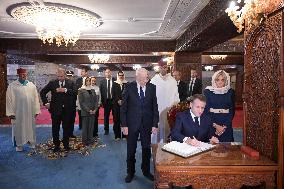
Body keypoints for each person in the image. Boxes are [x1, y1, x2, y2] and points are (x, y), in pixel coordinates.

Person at [121, 68, 159, 183]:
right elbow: (123, 108)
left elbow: (155, 107)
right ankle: (130, 172)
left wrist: (154, 124)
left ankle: (146, 171)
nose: (145, 80)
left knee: (146, 149)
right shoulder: (128, 87)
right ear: (136, 77)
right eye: (143, 78)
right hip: (132, 124)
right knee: (131, 150)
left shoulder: (152, 87)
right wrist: (124, 125)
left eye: (147, 77)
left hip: (147, 124)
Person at [40, 68, 76, 152]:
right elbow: (42, 92)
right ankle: (56, 145)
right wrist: (46, 103)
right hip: (55, 110)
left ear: (65, 75)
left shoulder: (70, 83)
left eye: (62, 76)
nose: (60, 78)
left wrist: (65, 90)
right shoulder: (53, 83)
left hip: (67, 110)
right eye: (58, 76)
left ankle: (66, 145)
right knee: (55, 128)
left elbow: (75, 93)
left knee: (66, 128)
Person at [6, 68, 41, 152]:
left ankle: (31, 142)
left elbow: (36, 98)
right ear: (18, 75)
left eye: (25, 74)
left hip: (30, 112)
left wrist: (36, 110)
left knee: (30, 127)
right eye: (22, 74)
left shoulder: (31, 85)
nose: (24, 76)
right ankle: (19, 145)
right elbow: (9, 100)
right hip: (18, 112)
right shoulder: (12, 86)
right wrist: (10, 113)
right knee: (18, 128)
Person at [150, 60, 180, 143]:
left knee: (168, 131)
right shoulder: (154, 81)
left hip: (169, 110)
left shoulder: (172, 80)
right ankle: (155, 150)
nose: (164, 69)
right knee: (156, 133)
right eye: (162, 67)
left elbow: (176, 96)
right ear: (159, 68)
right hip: (158, 110)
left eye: (165, 67)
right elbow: (151, 97)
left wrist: (174, 107)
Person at [203, 70, 235, 142]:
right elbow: (206, 110)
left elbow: (232, 111)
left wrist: (224, 126)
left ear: (226, 81)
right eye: (217, 80)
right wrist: (215, 125)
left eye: (222, 80)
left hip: (226, 124)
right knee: (211, 148)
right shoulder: (207, 92)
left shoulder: (230, 92)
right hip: (212, 122)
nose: (220, 82)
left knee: (227, 148)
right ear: (214, 80)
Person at [78, 77, 98, 145]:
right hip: (85, 112)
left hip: (93, 111)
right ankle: (85, 141)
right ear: (84, 81)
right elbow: (81, 102)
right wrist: (89, 110)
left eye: (89, 81)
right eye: (87, 81)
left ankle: (90, 139)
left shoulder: (93, 90)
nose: (88, 82)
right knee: (85, 127)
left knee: (91, 126)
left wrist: (95, 109)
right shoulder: (81, 90)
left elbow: (96, 101)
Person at [112, 70, 128, 140]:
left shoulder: (127, 83)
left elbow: (128, 94)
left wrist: (123, 101)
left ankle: (124, 135)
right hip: (116, 105)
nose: (121, 77)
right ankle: (117, 135)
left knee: (124, 121)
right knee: (116, 120)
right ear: (118, 76)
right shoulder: (114, 84)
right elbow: (113, 94)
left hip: (125, 105)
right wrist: (118, 100)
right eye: (120, 75)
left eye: (122, 75)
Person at [99, 68, 115, 135]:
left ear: (110, 73)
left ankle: (115, 129)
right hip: (106, 101)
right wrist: (101, 102)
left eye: (108, 72)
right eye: (106, 72)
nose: (107, 73)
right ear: (104, 73)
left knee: (115, 116)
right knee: (106, 116)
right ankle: (106, 130)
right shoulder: (102, 82)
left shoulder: (115, 80)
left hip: (114, 101)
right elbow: (101, 93)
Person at [66, 70, 77, 138]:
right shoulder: (63, 83)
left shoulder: (74, 83)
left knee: (72, 120)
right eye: (68, 76)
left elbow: (75, 92)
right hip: (65, 106)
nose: (69, 78)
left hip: (72, 105)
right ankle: (66, 134)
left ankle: (71, 133)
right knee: (66, 120)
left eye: (70, 76)